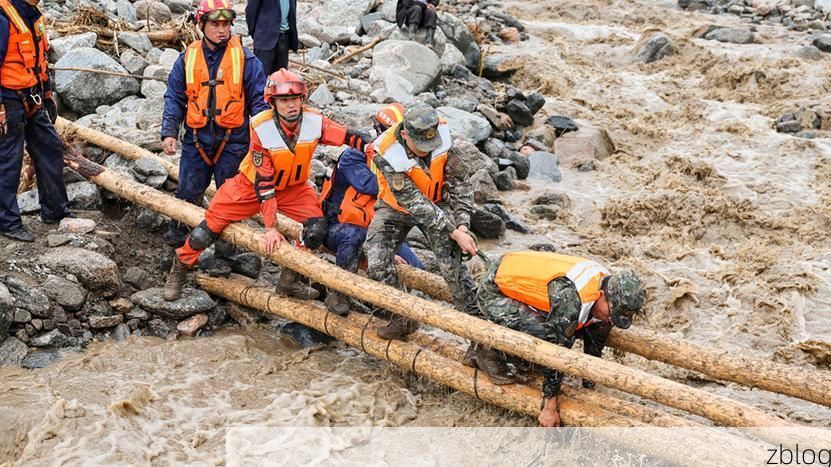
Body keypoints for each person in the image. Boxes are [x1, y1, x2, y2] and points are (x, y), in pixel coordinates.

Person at [163, 69, 371, 301]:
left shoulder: (315, 121)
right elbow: (264, 184)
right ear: (273, 102)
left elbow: (350, 136)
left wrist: (373, 149)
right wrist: (271, 227)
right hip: (250, 186)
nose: (291, 105)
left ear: (302, 99)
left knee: (317, 229)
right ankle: (179, 268)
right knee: (208, 229)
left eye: (295, 99)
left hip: (294, 188)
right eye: (284, 100)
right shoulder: (262, 127)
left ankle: (289, 281)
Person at [476, 250, 645, 427]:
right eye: (612, 313)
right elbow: (555, 352)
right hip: (495, 289)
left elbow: (596, 339)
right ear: (602, 296)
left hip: (522, 273)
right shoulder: (572, 299)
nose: (611, 319)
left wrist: (589, 385)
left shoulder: (608, 289)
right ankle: (488, 351)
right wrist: (549, 407)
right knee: (546, 334)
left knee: (594, 325)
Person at [161, 0, 269, 276]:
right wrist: (169, 132)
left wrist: (262, 141)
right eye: (215, 24)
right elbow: (174, 97)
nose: (222, 30)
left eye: (226, 24)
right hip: (196, 139)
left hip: (233, 140)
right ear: (202, 26)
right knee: (187, 191)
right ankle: (177, 245)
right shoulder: (187, 58)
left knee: (229, 198)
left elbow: (259, 102)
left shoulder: (246, 59)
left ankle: (226, 254)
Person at [319, 103, 423, 316]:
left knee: (416, 268)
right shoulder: (353, 157)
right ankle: (339, 292)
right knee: (354, 237)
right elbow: (373, 187)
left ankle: (393, 309)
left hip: (374, 232)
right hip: (338, 228)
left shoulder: (400, 163)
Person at [0, 0, 71, 242]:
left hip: (32, 96)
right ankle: (8, 222)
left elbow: (41, 60)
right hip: (8, 99)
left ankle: (55, 210)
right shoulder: (3, 17)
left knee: (50, 148)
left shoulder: (34, 16)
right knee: (9, 161)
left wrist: (48, 95)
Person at [245, 0, 297, 75]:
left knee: (281, 79)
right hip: (264, 40)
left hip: (284, 38)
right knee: (260, 78)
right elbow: (251, 11)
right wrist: (257, 33)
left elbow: (292, 11)